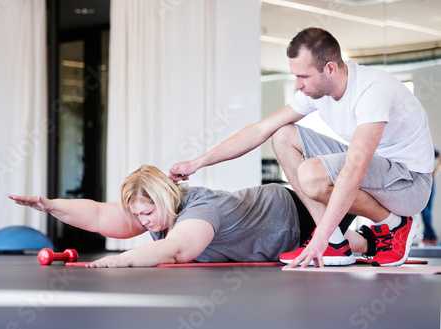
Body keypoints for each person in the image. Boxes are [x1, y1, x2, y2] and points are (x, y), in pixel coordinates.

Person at [169, 27, 434, 267]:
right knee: (282, 135)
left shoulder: (371, 91)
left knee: (312, 174)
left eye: (303, 76)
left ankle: (395, 224)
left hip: (409, 185)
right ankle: (335, 243)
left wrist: (316, 237)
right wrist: (197, 162)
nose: (298, 84)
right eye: (295, 76)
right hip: (380, 172)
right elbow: (260, 129)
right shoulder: (319, 92)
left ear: (330, 69)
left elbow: (355, 168)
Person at [8, 165, 359, 267]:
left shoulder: (200, 210)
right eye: (137, 214)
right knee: (344, 247)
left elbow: (177, 251)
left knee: (346, 230)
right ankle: (371, 237)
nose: (143, 221)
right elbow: (102, 215)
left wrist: (114, 262)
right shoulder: (158, 213)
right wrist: (49, 205)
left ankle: (387, 224)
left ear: (164, 199)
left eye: (146, 212)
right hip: (282, 238)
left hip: (298, 212)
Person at [421, 148, 440, 246]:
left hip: (430, 182)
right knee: (425, 213)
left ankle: (431, 237)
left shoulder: (428, 148)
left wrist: (436, 170)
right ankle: (426, 237)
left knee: (427, 213)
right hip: (419, 182)